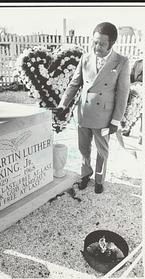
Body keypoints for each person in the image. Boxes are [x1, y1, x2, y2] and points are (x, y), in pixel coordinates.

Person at [56, 22, 130, 193]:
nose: (97, 47)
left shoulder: (122, 62)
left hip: (104, 117)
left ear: (111, 44)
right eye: (95, 42)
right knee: (83, 149)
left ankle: (99, 179)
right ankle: (85, 174)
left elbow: (123, 93)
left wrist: (116, 120)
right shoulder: (85, 58)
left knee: (102, 152)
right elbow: (74, 84)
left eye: (102, 44)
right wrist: (62, 105)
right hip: (84, 113)